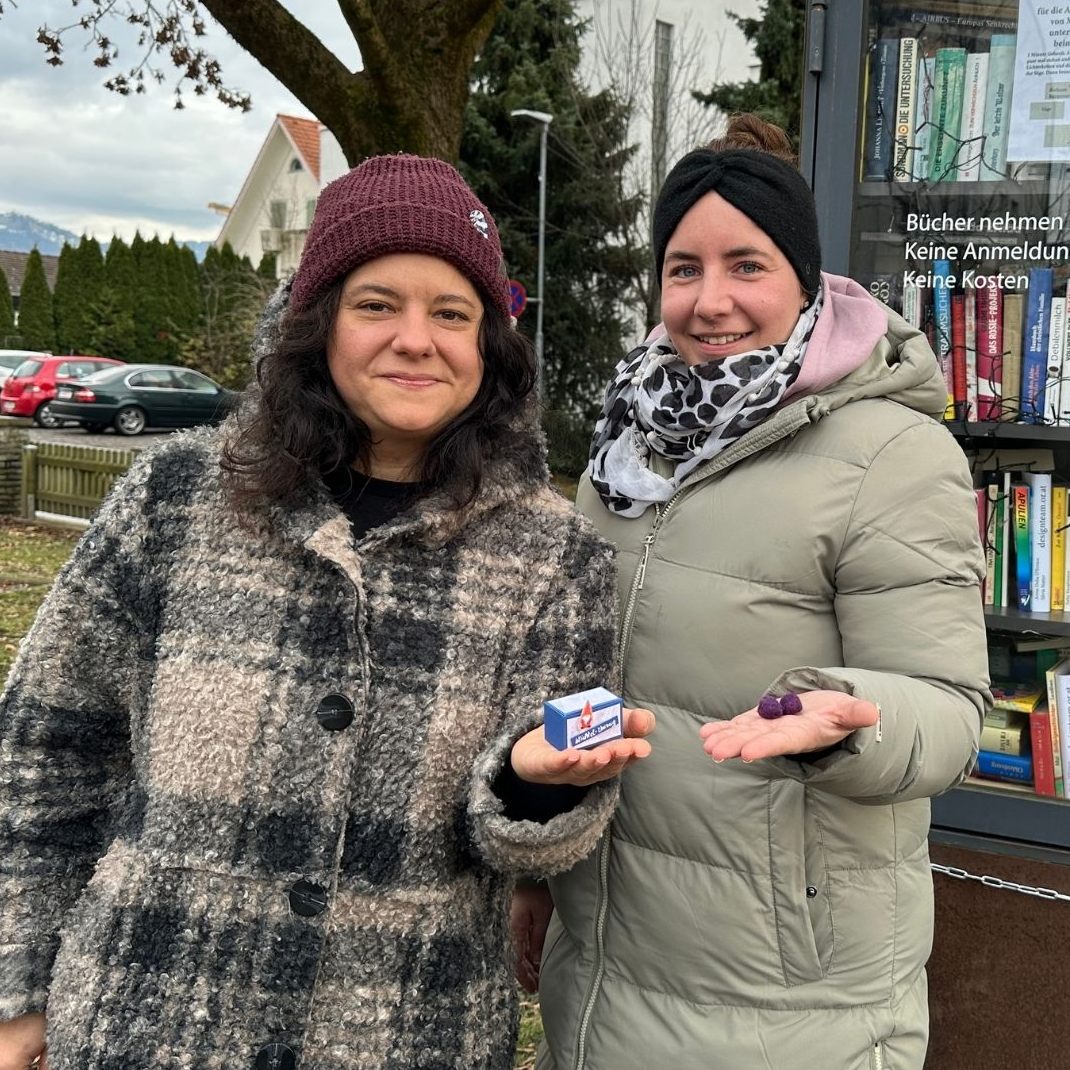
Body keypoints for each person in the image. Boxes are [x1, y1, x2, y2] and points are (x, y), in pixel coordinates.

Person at [0, 154, 655, 1070]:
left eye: (452, 313)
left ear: (489, 344)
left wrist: (536, 782)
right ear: (316, 323)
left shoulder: (554, 554)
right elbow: (48, 752)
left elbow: (531, 844)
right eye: (377, 304)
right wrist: (19, 988)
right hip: (145, 1020)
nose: (416, 340)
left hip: (407, 1031)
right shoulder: (174, 499)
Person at [516, 115, 989, 1070]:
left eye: (747, 266)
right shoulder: (624, 450)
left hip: (791, 996)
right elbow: (581, 683)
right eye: (683, 268)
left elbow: (948, 711)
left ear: (804, 279)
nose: (710, 301)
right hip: (603, 965)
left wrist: (850, 719)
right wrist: (538, 863)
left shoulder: (893, 454)